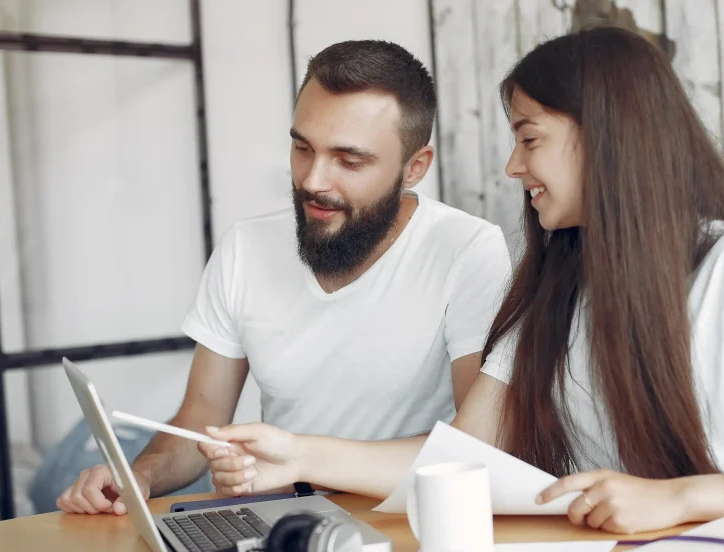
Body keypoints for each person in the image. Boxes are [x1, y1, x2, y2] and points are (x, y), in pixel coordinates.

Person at [198, 26, 724, 534]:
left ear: (606, 137)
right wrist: (296, 453)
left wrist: (681, 499)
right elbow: (462, 457)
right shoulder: (552, 283)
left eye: (529, 138)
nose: (512, 167)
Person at [55, 40, 511, 515]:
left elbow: (474, 447)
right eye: (302, 148)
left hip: (412, 520)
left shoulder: (467, 251)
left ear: (414, 167)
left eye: (349, 161)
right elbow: (200, 419)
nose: (313, 180)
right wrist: (139, 474)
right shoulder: (245, 249)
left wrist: (299, 458)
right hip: (280, 523)